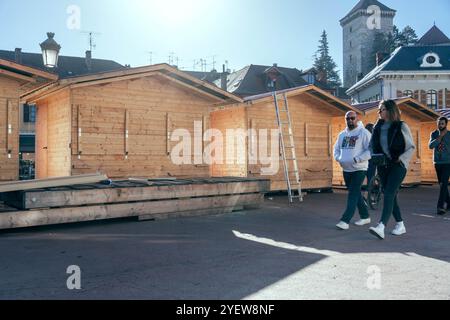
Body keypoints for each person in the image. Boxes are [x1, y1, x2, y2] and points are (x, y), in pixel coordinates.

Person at [369, 100, 416, 240]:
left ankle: (381, 226)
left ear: (390, 110)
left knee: (389, 193)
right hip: (383, 165)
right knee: (391, 195)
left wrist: (401, 159)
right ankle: (400, 225)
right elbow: (372, 144)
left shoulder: (401, 126)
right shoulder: (378, 127)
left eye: (382, 109)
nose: (379, 112)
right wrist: (374, 155)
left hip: (398, 165)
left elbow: (411, 147)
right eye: (379, 109)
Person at [334, 111, 372, 230]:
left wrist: (357, 159)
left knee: (352, 194)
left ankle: (345, 220)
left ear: (357, 119)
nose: (350, 120)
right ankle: (365, 216)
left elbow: (371, 150)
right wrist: (339, 158)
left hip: (359, 169)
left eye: (352, 118)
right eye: (347, 118)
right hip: (346, 169)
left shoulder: (363, 132)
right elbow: (336, 149)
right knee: (355, 194)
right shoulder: (342, 135)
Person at [429, 116, 450, 215]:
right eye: (439, 123)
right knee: (442, 184)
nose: (440, 125)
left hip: (447, 162)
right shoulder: (434, 134)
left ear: (446, 124)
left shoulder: (449, 134)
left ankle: (440, 207)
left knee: (444, 184)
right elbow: (431, 146)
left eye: (442, 123)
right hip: (437, 162)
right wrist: (440, 137)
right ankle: (449, 204)